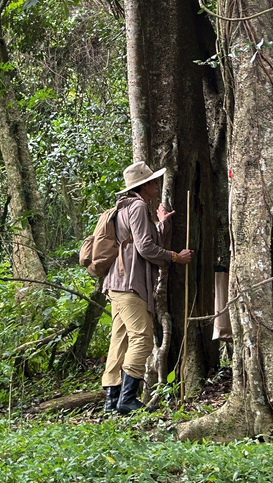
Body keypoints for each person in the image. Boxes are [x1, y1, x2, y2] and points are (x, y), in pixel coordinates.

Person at [101, 161, 194, 415]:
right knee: (141, 337)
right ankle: (127, 399)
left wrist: (161, 222)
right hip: (130, 284)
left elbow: (141, 241)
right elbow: (145, 248)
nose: (157, 185)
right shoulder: (139, 206)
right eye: (153, 182)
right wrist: (176, 257)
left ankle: (111, 402)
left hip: (116, 284)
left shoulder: (124, 208)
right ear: (144, 186)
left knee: (119, 341)